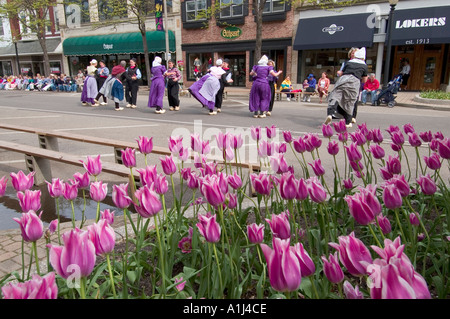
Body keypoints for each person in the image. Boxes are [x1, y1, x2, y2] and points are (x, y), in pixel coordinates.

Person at [325, 47, 368, 128]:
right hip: (354, 82)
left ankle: (330, 114)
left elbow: (341, 73)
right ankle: (348, 121)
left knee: (336, 95)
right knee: (350, 101)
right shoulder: (364, 66)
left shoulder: (348, 63)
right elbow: (364, 80)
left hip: (343, 80)